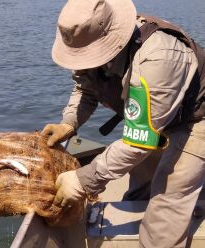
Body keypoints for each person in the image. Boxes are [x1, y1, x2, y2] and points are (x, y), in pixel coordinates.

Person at [41, 0, 205, 247]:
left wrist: (83, 180)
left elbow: (140, 140)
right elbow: (85, 89)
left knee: (168, 200)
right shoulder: (88, 41)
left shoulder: (158, 56)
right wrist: (69, 123)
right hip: (154, 117)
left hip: (196, 118)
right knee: (140, 186)